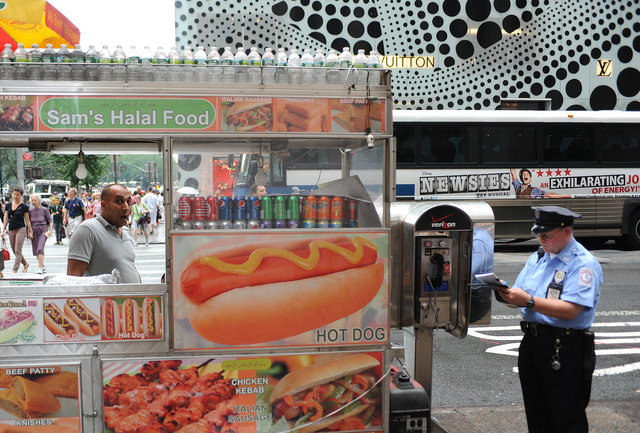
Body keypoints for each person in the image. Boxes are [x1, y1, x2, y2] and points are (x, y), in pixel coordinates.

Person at [498, 206, 602, 433]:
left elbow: (571, 310)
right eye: (539, 235)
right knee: (537, 416)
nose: (542, 240)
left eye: (547, 235)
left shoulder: (583, 263)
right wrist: (507, 294)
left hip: (563, 347)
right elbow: (522, 292)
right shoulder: (538, 257)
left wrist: (528, 301)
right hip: (533, 344)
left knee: (567, 418)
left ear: (567, 232)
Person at [67, 184, 140, 283]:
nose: (126, 207)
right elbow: (72, 281)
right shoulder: (87, 230)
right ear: (103, 205)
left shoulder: (125, 232)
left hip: (132, 298)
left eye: (128, 202)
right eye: (119, 201)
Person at [1, 186, 33, 273]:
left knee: (18, 250)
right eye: (14, 194)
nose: (15, 196)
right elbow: (6, 218)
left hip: (21, 229)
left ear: (21, 196)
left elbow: (27, 220)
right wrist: (2, 230)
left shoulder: (24, 206)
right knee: (14, 251)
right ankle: (25, 263)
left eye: (17, 195)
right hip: (11, 229)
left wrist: (30, 231)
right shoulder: (8, 205)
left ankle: (14, 270)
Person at [28, 194, 53, 274]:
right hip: (34, 231)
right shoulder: (30, 211)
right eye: (32, 200)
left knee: (40, 248)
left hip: (43, 230)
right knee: (36, 250)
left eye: (35, 200)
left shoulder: (44, 209)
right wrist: (30, 232)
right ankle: (42, 266)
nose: (33, 202)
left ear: (39, 201)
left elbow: (50, 221)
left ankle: (40, 267)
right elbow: (28, 223)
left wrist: (50, 231)